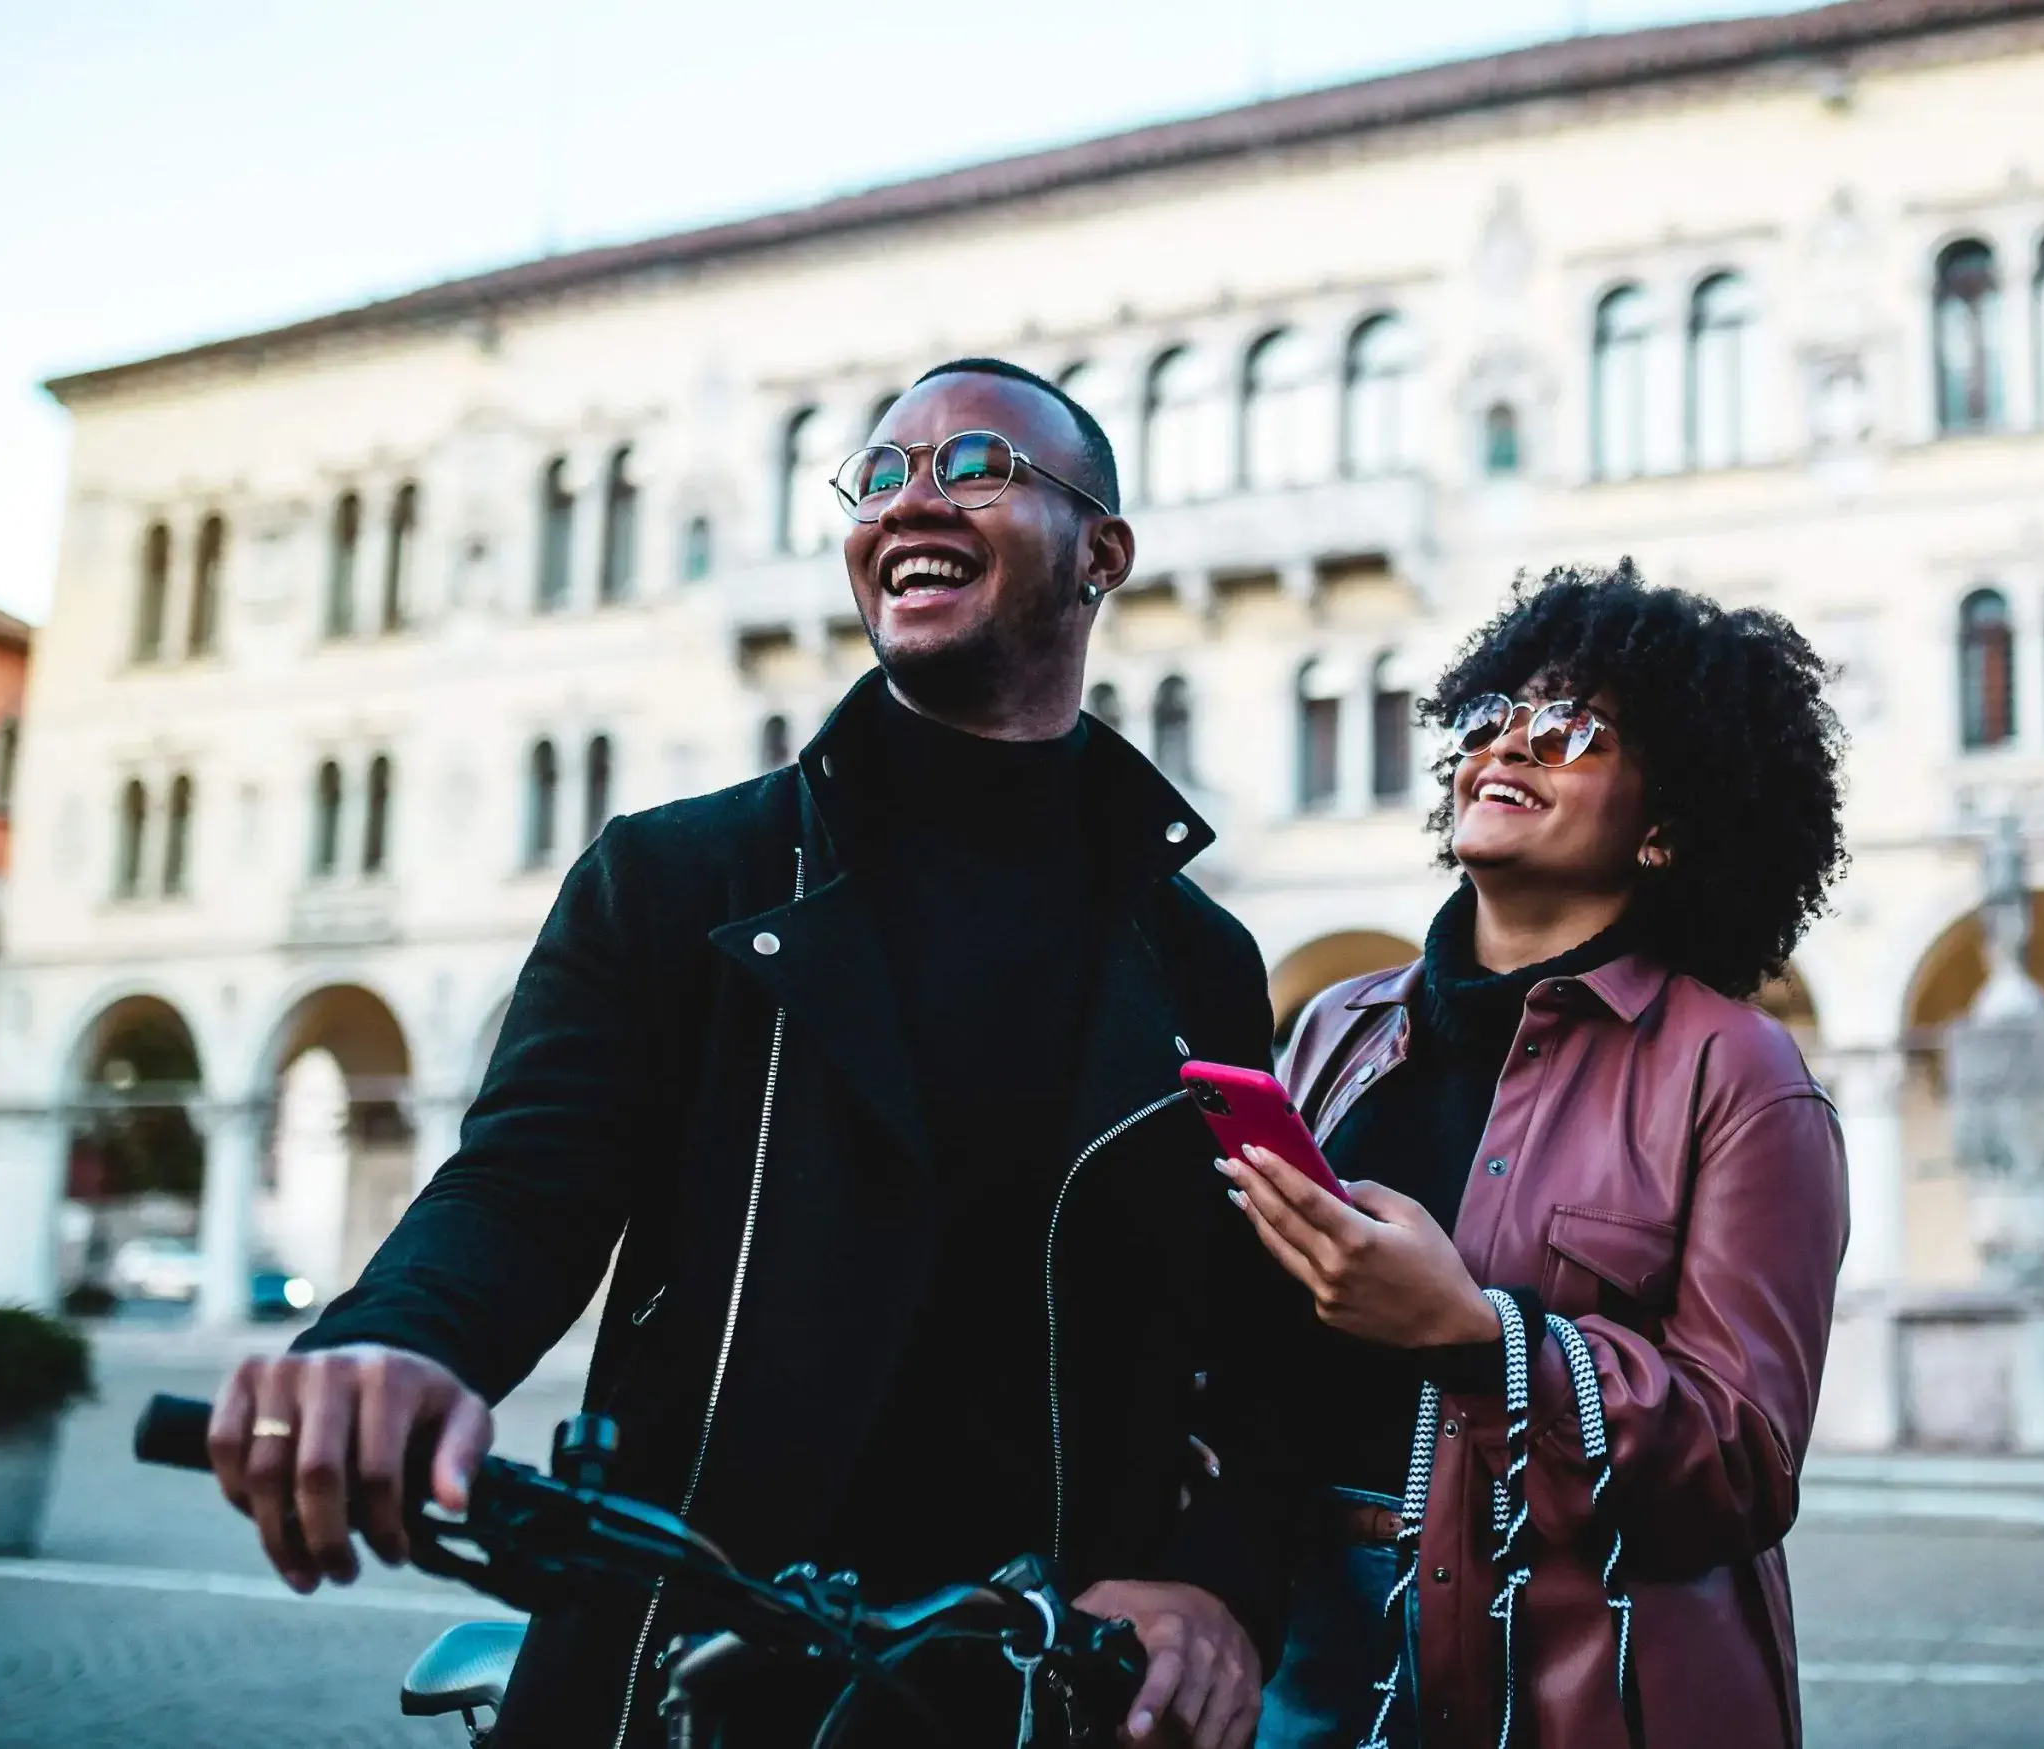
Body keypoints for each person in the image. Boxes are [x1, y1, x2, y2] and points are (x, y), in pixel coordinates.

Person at [205, 359, 1295, 1749]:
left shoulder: (1199, 958)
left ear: (1104, 553)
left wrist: (1218, 1589)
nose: (911, 501)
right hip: (681, 1651)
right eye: (879, 474)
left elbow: (1247, 1348)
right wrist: (395, 1344)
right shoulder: (674, 879)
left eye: (975, 468)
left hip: (1045, 1685)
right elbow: (521, 1190)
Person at [1228, 562, 1850, 1749]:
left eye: (1569, 733)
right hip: (1296, 1635)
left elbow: (1746, 1458)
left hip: (1568, 1666)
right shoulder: (1337, 1028)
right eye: (1489, 721)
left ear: (1667, 821)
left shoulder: (1738, 1073)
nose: (1504, 750)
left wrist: (1474, 1337)